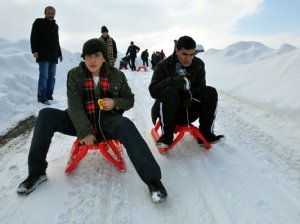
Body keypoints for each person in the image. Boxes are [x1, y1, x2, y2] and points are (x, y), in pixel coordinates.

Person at [17, 38, 167, 203]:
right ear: (83, 58)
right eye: (88, 56)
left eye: (96, 55)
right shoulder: (74, 74)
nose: (92, 60)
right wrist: (84, 131)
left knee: (127, 125)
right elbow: (74, 106)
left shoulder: (117, 75)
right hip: (78, 118)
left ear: (104, 57)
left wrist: (115, 102)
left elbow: (129, 99)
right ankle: (36, 173)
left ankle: (153, 181)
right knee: (46, 114)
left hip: (107, 120)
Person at [149, 36, 224, 148]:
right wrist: (170, 81)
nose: (188, 59)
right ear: (177, 50)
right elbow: (153, 91)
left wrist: (191, 94)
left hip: (190, 110)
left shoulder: (198, 64)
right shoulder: (163, 66)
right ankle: (167, 137)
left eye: (191, 54)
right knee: (170, 91)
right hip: (170, 113)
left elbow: (201, 87)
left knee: (211, 92)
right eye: (184, 54)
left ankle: (206, 133)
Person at [30, 6, 63, 105]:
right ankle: (42, 98)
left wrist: (59, 54)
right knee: (44, 76)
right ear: (45, 13)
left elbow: (57, 41)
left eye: (53, 13)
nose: (51, 15)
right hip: (43, 54)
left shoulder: (55, 26)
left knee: (52, 77)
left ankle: (49, 96)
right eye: (49, 13)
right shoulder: (39, 22)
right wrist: (34, 50)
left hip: (53, 55)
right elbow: (33, 36)